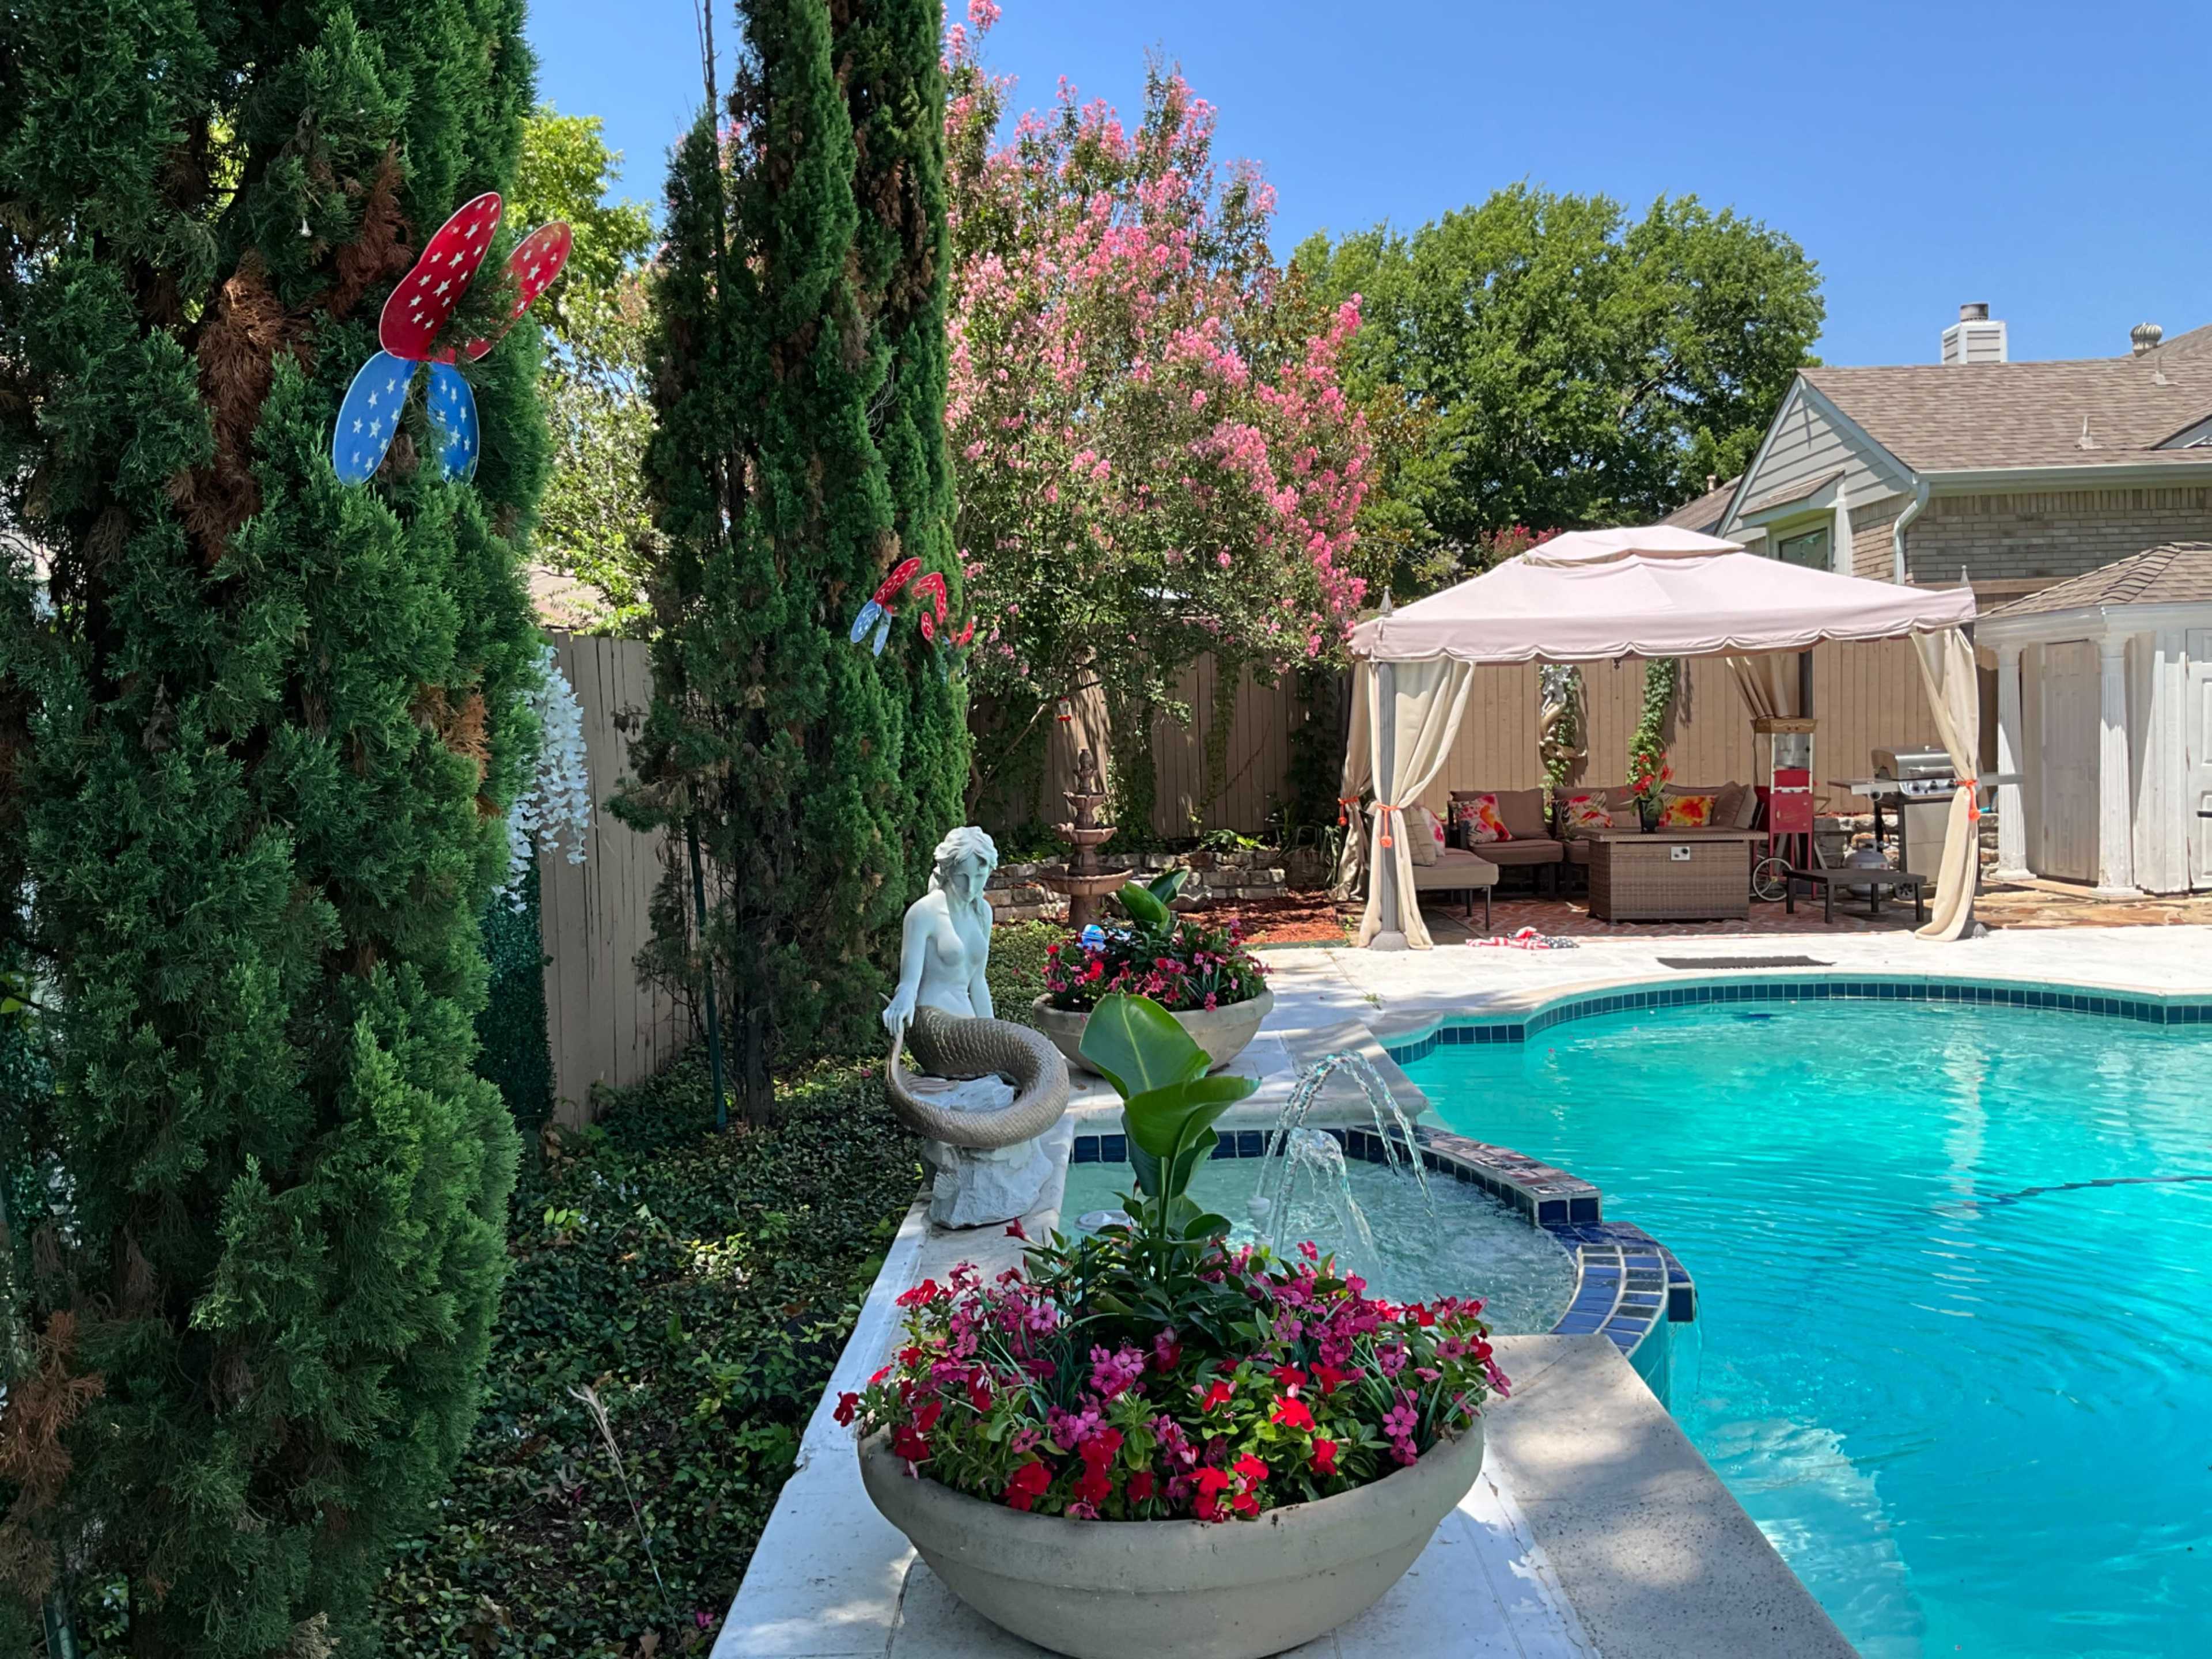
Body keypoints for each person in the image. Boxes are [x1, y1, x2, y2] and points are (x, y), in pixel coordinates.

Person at [882, 825, 998, 1041]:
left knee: (1002, 1067)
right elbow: (908, 984)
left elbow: (978, 982)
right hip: (934, 1023)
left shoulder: (982, 912)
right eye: (962, 876)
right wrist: (902, 1000)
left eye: (980, 876)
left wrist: (993, 1035)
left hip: (969, 1022)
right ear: (948, 871)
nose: (971, 887)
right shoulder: (924, 912)